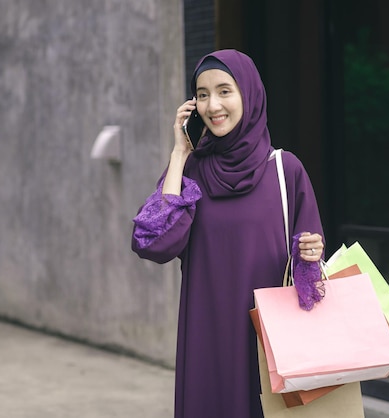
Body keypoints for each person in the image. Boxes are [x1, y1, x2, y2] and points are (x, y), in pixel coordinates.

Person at [131, 49, 324, 418]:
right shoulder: (193, 172)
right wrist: (179, 152)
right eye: (202, 94)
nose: (212, 104)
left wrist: (311, 255)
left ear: (248, 94)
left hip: (272, 338)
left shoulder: (285, 170)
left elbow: (311, 277)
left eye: (224, 91)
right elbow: (154, 242)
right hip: (208, 337)